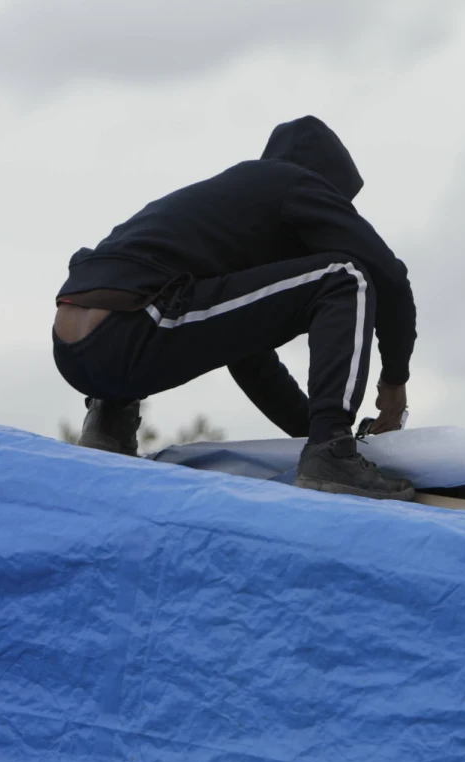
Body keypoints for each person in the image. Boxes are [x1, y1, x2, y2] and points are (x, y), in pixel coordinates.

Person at [52, 116, 418, 501]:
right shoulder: (295, 182)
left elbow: (249, 359)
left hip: (75, 344)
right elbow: (390, 276)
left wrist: (312, 430)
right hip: (136, 322)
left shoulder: (225, 217)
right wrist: (393, 382)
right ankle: (332, 453)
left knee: (156, 282)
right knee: (346, 276)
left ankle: (108, 424)